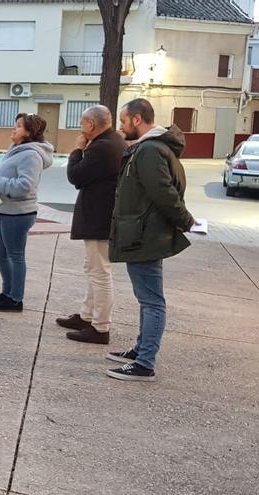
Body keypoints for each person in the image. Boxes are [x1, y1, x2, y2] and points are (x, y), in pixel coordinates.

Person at [105, 99, 194, 382]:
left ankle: (145, 363)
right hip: (142, 234)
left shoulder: (150, 151)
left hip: (145, 235)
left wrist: (187, 221)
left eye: (123, 121)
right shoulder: (148, 149)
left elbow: (165, 194)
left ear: (138, 119)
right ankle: (141, 350)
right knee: (147, 299)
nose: (121, 126)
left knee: (152, 301)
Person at [55, 105, 127, 345]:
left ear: (91, 125)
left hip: (99, 218)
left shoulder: (103, 147)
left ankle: (100, 327)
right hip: (100, 217)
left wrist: (77, 150)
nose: (80, 127)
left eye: (82, 123)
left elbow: (76, 176)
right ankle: (87, 316)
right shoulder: (112, 141)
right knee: (93, 268)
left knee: (100, 272)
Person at [0, 113, 53, 312]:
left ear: (29, 132)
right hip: (5, 209)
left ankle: (16, 299)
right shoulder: (17, 149)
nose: (13, 129)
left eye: (18, 126)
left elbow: (25, 185)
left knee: (15, 254)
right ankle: (7, 292)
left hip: (18, 213)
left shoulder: (31, 154)